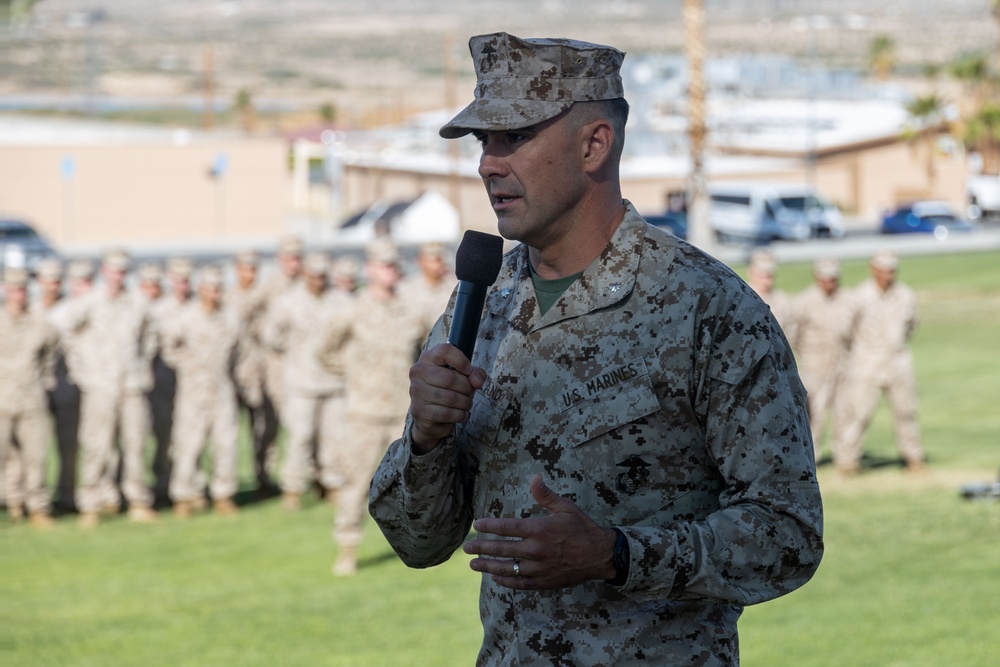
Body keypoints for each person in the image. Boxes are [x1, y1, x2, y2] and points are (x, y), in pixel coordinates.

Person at [369, 32, 823, 665]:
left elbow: (788, 534)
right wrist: (425, 439)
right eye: (484, 141)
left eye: (516, 137)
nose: (488, 164)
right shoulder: (483, 304)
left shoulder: (707, 308)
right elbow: (418, 542)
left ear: (594, 144)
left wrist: (615, 555)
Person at [320, 239, 424, 576]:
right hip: (364, 412)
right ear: (370, 269)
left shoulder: (410, 310)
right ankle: (347, 547)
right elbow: (325, 351)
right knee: (355, 482)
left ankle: (421, 548)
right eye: (384, 265)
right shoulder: (352, 310)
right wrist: (354, 372)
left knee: (415, 482)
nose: (391, 270)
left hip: (402, 412)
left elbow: (426, 349)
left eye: (395, 265)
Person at [58, 249, 158, 527]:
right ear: (104, 271)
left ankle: (138, 500)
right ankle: (90, 503)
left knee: (135, 443)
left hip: (131, 384)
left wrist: (142, 365)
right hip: (100, 385)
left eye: (123, 271)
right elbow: (66, 332)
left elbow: (150, 337)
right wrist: (82, 369)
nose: (118, 275)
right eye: (114, 270)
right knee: (97, 445)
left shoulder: (138, 303)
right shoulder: (90, 302)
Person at [263, 251, 351, 510]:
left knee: (334, 437)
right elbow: (271, 336)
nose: (319, 281)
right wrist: (294, 352)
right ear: (305, 275)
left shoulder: (341, 301)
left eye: (323, 276)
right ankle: (292, 488)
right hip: (301, 380)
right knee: (300, 436)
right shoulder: (287, 302)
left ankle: (332, 484)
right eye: (314, 276)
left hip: (334, 381)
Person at [834, 250, 925, 475]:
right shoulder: (859, 296)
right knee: (858, 414)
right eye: (883, 270)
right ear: (873, 269)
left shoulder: (905, 295)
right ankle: (847, 462)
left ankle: (913, 459)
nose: (888, 274)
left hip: (898, 362)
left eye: (892, 270)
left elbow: (912, 326)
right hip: (867, 363)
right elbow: (845, 331)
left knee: (906, 412)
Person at [163, 266, 241, 516]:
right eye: (209, 289)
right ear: (200, 290)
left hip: (221, 389)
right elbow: (168, 347)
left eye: (218, 289)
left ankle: (223, 494)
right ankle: (185, 496)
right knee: (189, 445)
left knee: (225, 445)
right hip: (193, 390)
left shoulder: (230, 317)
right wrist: (187, 363)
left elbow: (238, 349)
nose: (214, 294)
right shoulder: (186, 318)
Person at [0, 267, 59, 527]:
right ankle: (12, 502)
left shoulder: (40, 323)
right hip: (2, 399)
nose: (18, 294)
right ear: (5, 290)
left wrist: (43, 381)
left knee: (36, 457)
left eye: (22, 288)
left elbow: (50, 355)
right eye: (13, 289)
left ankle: (37, 507)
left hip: (31, 399)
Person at [791, 259, 853, 463]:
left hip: (842, 366)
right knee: (814, 417)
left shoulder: (848, 299)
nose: (829, 282)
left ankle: (845, 459)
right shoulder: (803, 302)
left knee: (844, 415)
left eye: (833, 278)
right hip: (814, 367)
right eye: (825, 278)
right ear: (817, 277)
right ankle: (811, 460)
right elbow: (794, 336)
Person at [228, 249, 278, 494]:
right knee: (229, 430)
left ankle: (264, 476)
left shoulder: (266, 296)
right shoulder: (227, 297)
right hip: (234, 374)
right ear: (237, 269)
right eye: (246, 268)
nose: (251, 272)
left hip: (262, 372)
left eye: (254, 268)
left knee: (265, 428)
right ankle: (229, 482)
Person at [396, 242, 457, 356]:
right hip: (416, 350)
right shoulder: (407, 288)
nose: (437, 265)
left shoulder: (454, 287)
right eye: (433, 260)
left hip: (447, 349)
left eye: (439, 259)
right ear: (420, 260)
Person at [746, 250, 795, 339]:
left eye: (769, 273)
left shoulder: (783, 300)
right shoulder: (743, 297)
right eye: (761, 273)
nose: (766, 275)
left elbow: (790, 332)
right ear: (751, 272)